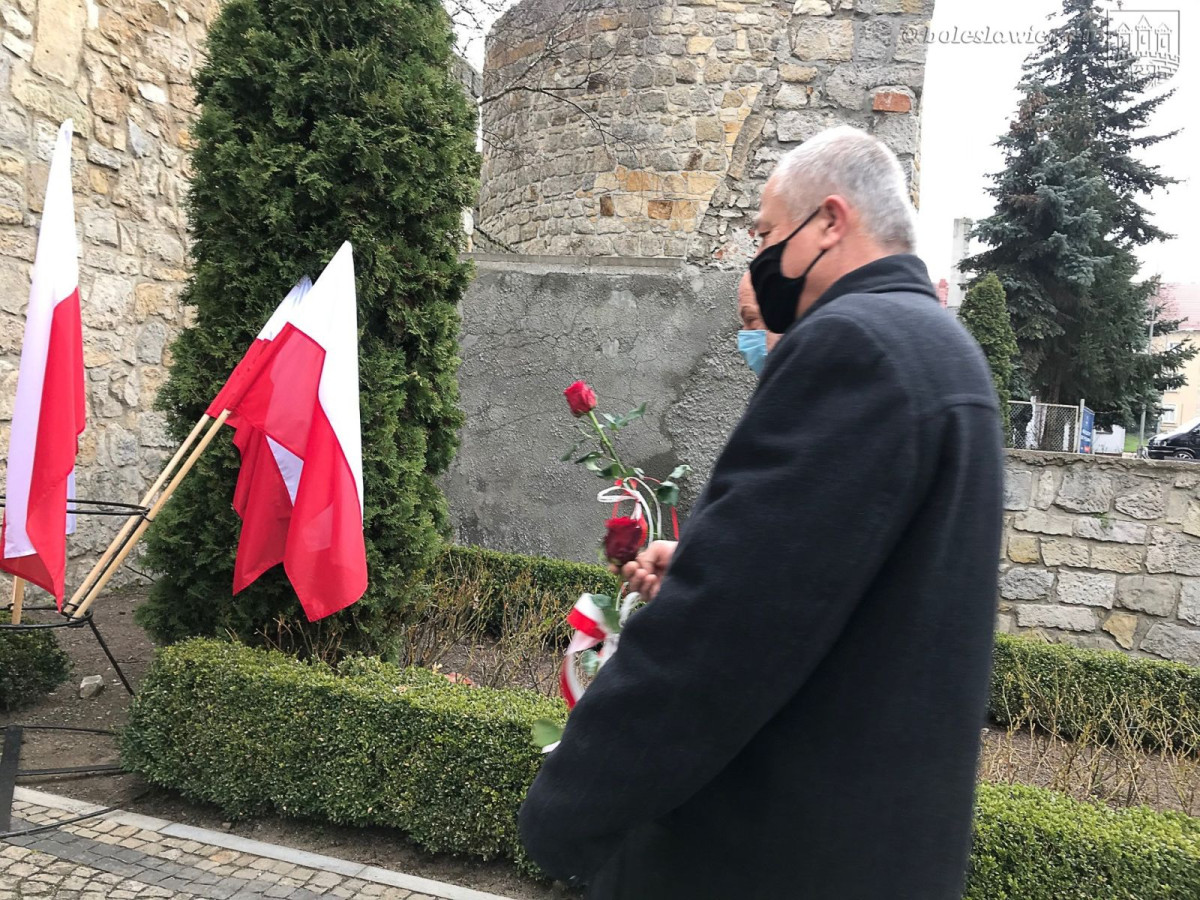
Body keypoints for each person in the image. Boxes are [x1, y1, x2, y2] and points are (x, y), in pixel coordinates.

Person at [519, 125, 1004, 899]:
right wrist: (706, 556)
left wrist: (571, 804)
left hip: (769, 854)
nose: (760, 260)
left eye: (767, 234)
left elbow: (727, 632)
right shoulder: (944, 350)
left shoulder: (852, 343)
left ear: (831, 222)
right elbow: (837, 577)